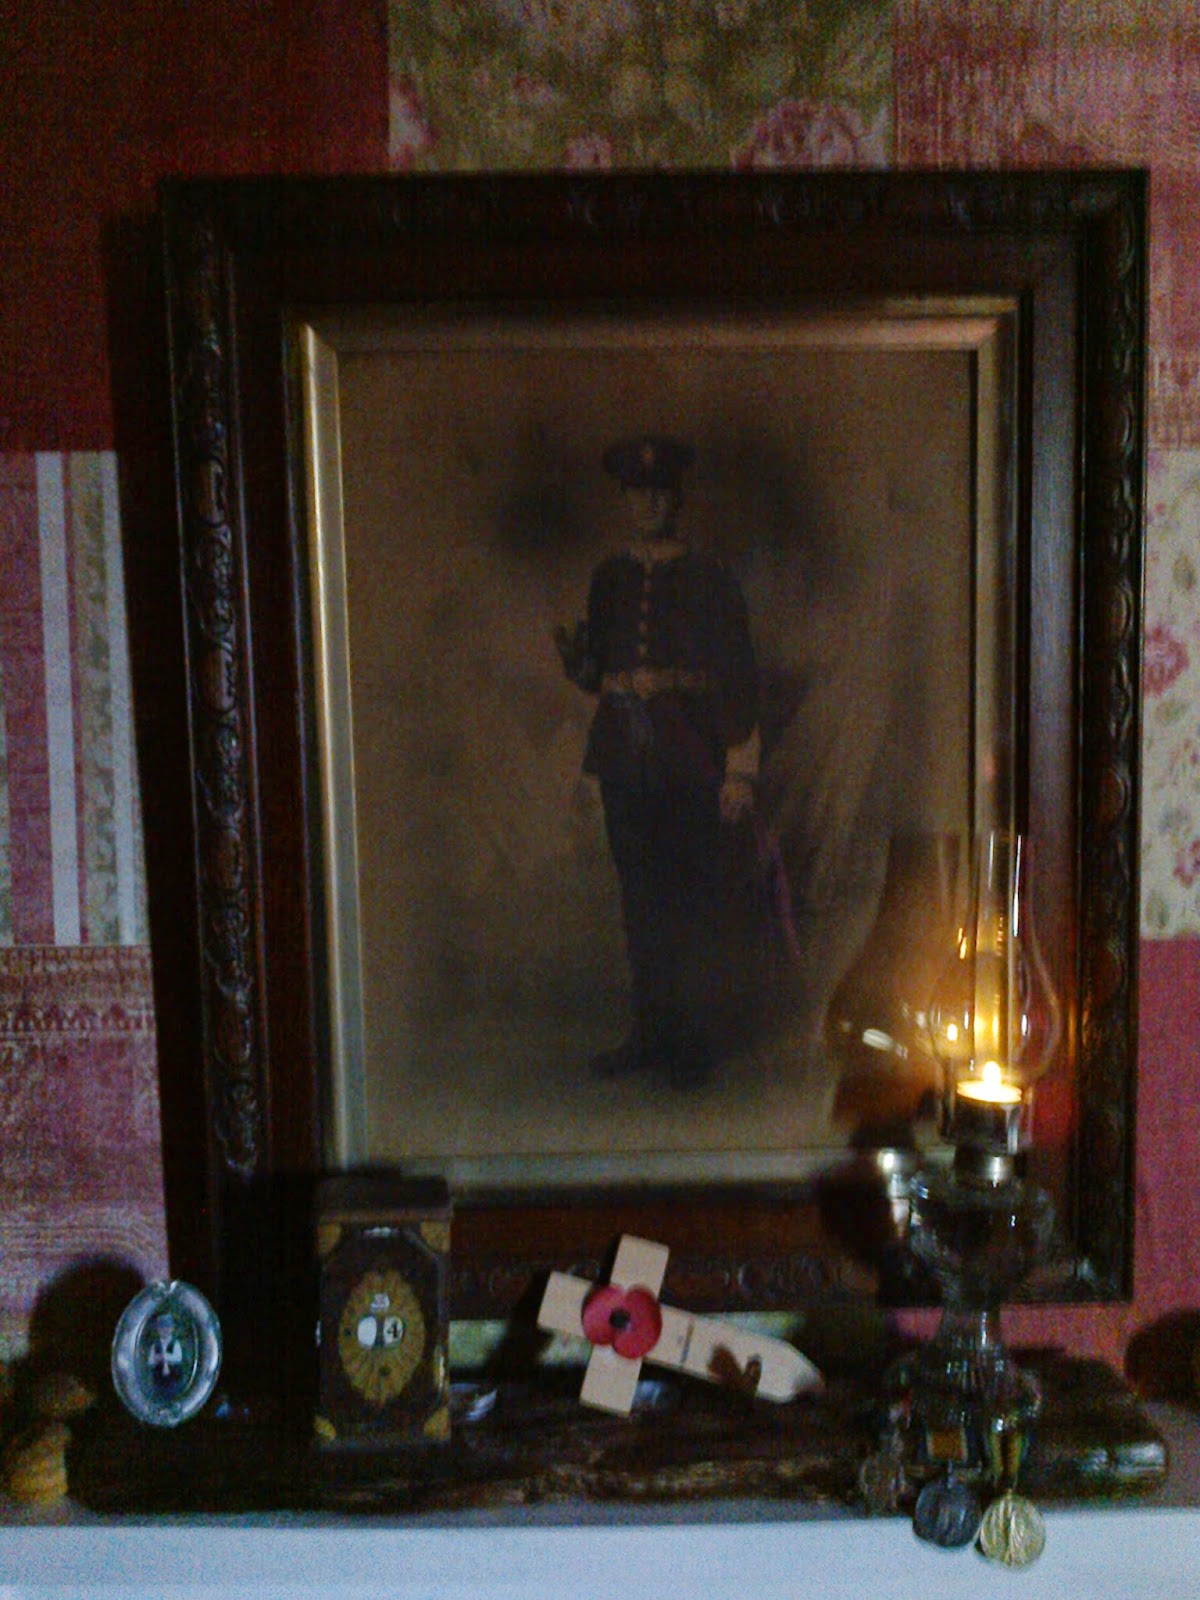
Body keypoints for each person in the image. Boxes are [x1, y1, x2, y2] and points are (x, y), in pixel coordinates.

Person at [555, 433, 760, 1089]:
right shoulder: (608, 576)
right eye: (636, 494)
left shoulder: (711, 577)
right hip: (625, 758)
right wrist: (581, 666)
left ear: (677, 500)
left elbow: (738, 674)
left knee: (689, 900)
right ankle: (649, 1035)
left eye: (659, 493)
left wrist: (739, 769)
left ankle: (690, 1041)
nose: (647, 504)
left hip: (689, 755)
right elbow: (601, 675)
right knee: (639, 902)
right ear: (625, 501)